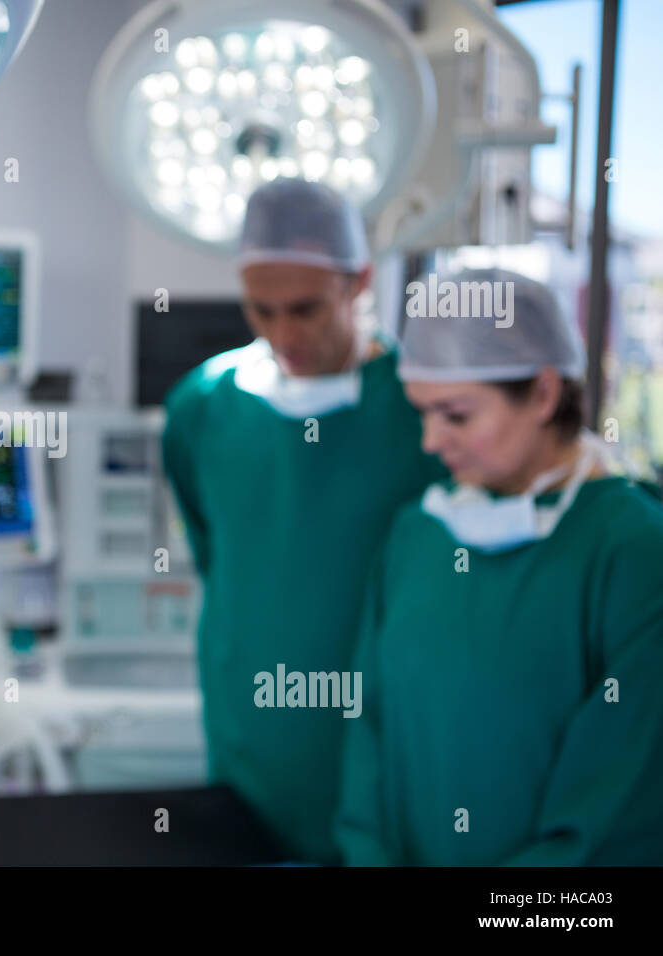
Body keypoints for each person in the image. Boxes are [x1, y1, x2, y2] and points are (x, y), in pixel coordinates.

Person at [335, 267, 663, 865]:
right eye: (422, 414)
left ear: (542, 393)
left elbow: (618, 814)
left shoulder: (633, 551)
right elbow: (368, 733)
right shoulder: (419, 534)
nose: (431, 442)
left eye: (456, 415)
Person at [162, 178, 445, 864]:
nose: (283, 334)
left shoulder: (426, 410)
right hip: (249, 723)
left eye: (306, 309)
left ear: (360, 282)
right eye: (260, 310)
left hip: (381, 728)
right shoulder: (203, 406)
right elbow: (216, 551)